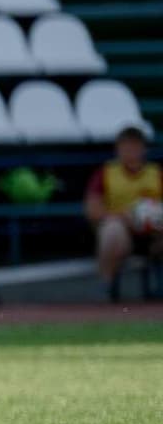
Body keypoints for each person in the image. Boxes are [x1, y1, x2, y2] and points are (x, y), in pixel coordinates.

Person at [84, 125, 162, 297]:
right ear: (117, 149)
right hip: (121, 228)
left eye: (135, 147)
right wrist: (127, 217)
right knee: (112, 231)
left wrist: (151, 217)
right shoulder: (106, 172)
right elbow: (92, 210)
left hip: (154, 233)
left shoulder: (156, 173)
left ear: (144, 149)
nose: (130, 152)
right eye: (126, 147)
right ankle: (107, 284)